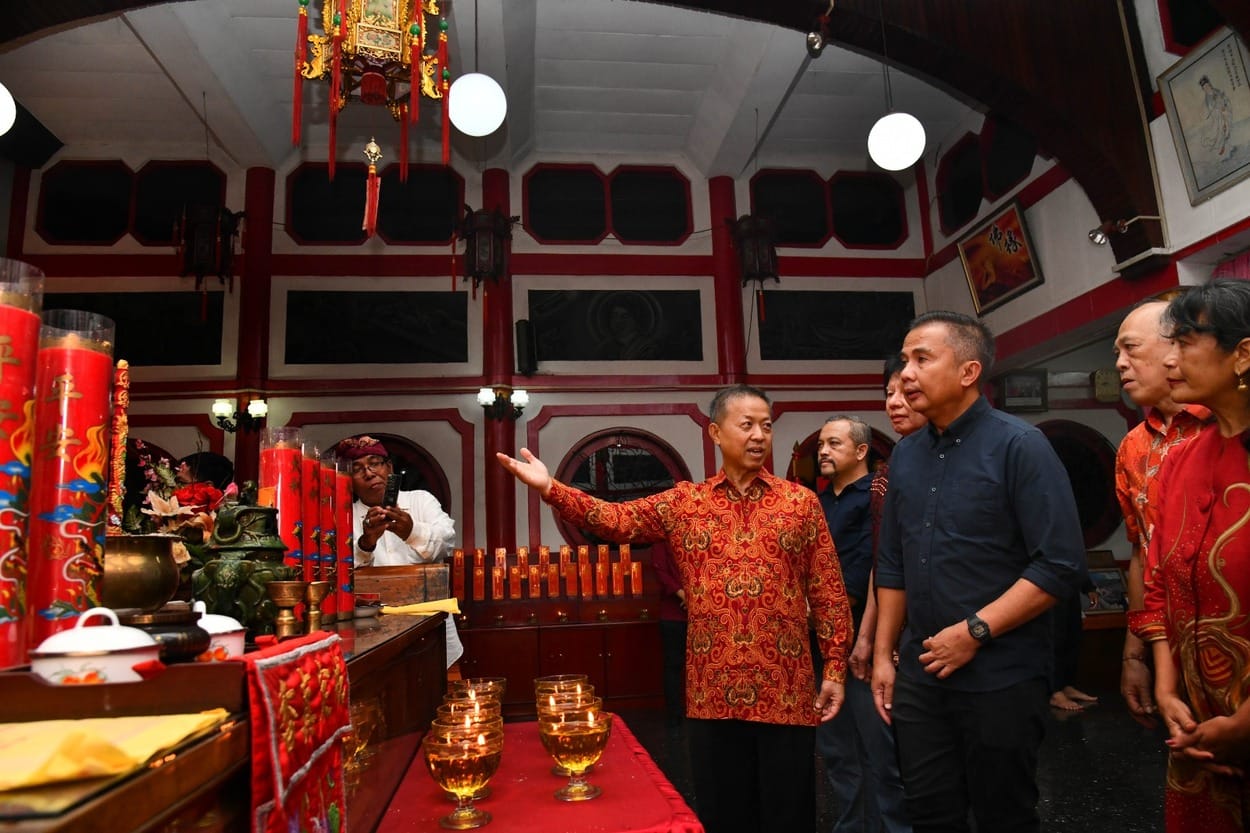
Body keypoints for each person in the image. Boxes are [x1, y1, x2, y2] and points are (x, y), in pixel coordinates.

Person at [497, 383, 853, 833]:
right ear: (715, 433)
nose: (759, 435)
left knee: (790, 813)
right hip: (711, 691)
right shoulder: (686, 504)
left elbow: (827, 590)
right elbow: (615, 521)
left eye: (766, 425)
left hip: (786, 688)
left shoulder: (800, 503)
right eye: (746, 425)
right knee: (725, 814)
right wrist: (551, 488)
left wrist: (835, 668)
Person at [872, 311, 1087, 833]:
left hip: (1002, 669)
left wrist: (975, 631)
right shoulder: (905, 456)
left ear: (968, 372)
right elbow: (894, 561)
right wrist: (883, 656)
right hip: (923, 668)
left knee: (1003, 812)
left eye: (922, 359)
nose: (905, 374)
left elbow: (1059, 564)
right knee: (928, 810)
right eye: (904, 360)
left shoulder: (1020, 445)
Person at [1129, 279, 1250, 833]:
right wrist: (1166, 686)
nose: (1168, 358)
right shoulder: (1181, 461)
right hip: (1199, 727)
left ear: (1242, 354)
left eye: (1184, 342)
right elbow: (1159, 580)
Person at [1113, 298, 1211, 723]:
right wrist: (1135, 654)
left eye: (1130, 349)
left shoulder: (1225, 426)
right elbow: (1141, 551)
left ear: (1176, 349)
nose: (1120, 364)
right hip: (1167, 650)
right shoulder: (1134, 446)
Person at [814, 414, 910, 833]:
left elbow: (866, 568)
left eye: (834, 444)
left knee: (877, 745)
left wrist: (865, 637)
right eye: (821, 444)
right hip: (820, 638)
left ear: (860, 451)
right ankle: (853, 825)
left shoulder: (873, 497)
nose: (823, 451)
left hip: (862, 635)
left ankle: (892, 827)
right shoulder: (818, 502)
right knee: (836, 746)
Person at [337, 435, 456, 567]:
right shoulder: (344, 516)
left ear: (389, 467)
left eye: (374, 463)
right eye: (357, 469)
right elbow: (337, 567)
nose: (369, 474)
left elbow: (447, 543)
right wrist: (365, 544)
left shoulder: (421, 500)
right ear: (348, 480)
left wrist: (412, 531)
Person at [650, 539, 689, 728]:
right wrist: (684, 596)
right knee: (673, 664)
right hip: (673, 613)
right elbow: (661, 572)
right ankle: (675, 712)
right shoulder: (662, 539)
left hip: (702, 612)